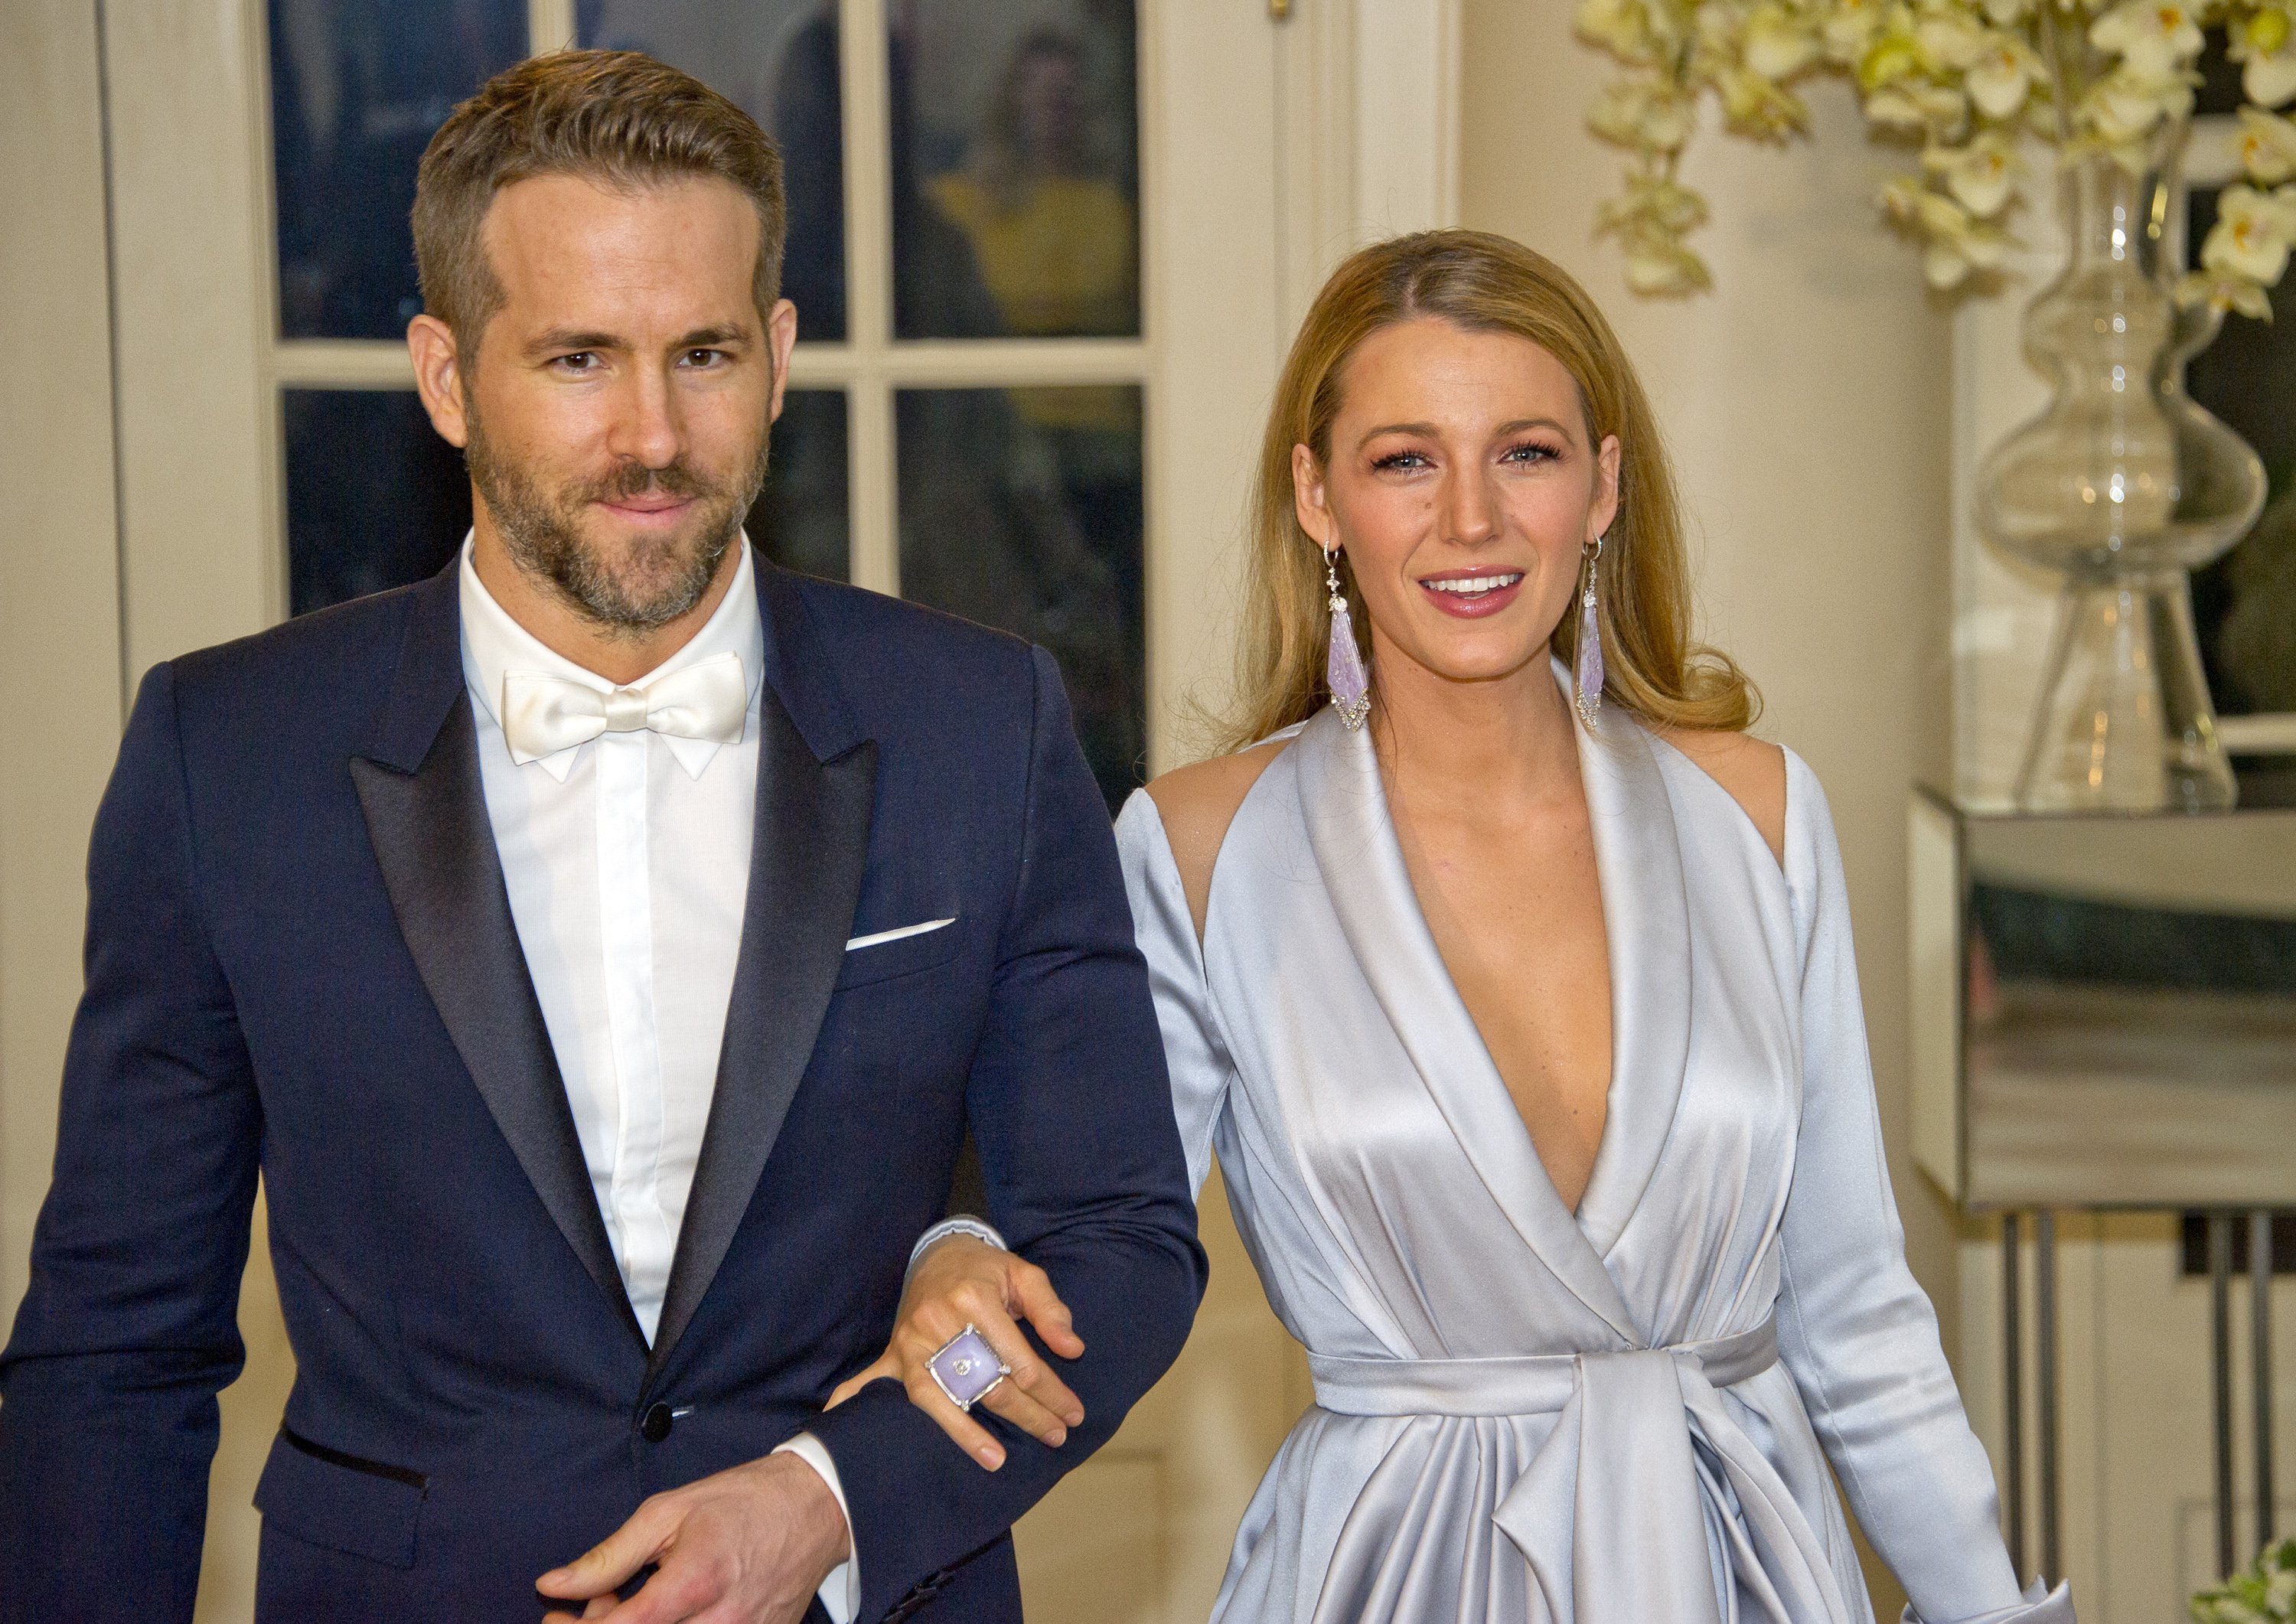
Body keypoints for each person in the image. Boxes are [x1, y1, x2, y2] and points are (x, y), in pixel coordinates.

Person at [0, 50, 1202, 1624]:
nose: (652, 434)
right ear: (446, 377)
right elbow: (116, 1344)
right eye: (577, 358)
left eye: (702, 352)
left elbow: (1110, 1240)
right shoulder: (228, 757)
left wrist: (843, 1486)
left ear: (778, 355)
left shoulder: (982, 724)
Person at [854, 230, 2077, 1624]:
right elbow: (1091, 1251)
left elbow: (1856, 1314)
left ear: (1603, 485)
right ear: (1319, 496)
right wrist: (944, 1274)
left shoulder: (1760, 814)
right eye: (1405, 460)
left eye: (1528, 454)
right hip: (1389, 1577)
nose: (1474, 521)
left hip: (1745, 1572)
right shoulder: (1199, 853)